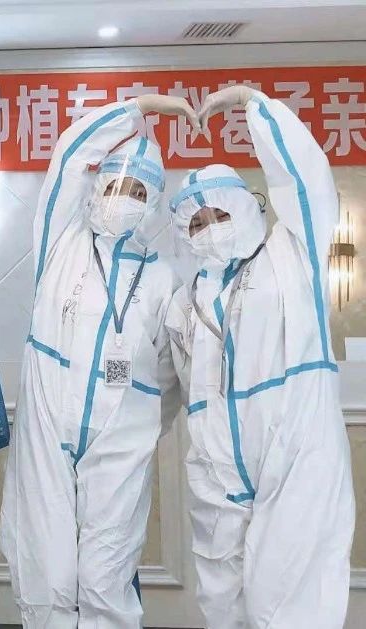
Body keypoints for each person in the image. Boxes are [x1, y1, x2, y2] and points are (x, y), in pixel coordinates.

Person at [0, 94, 196, 627]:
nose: (122, 198)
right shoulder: (60, 244)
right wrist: (139, 107)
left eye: (137, 191)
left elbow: (169, 378)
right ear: (96, 187)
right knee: (47, 573)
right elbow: (68, 154)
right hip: (47, 432)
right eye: (114, 185)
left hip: (120, 443)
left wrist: (135, 424)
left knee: (105, 577)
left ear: (152, 204)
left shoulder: (163, 279)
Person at [164, 85, 354, 628]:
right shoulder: (186, 301)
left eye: (219, 214)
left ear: (249, 207)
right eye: (196, 223)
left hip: (293, 454)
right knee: (222, 603)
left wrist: (253, 103)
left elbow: (305, 179)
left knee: (291, 602)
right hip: (216, 469)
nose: (209, 230)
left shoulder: (291, 256)